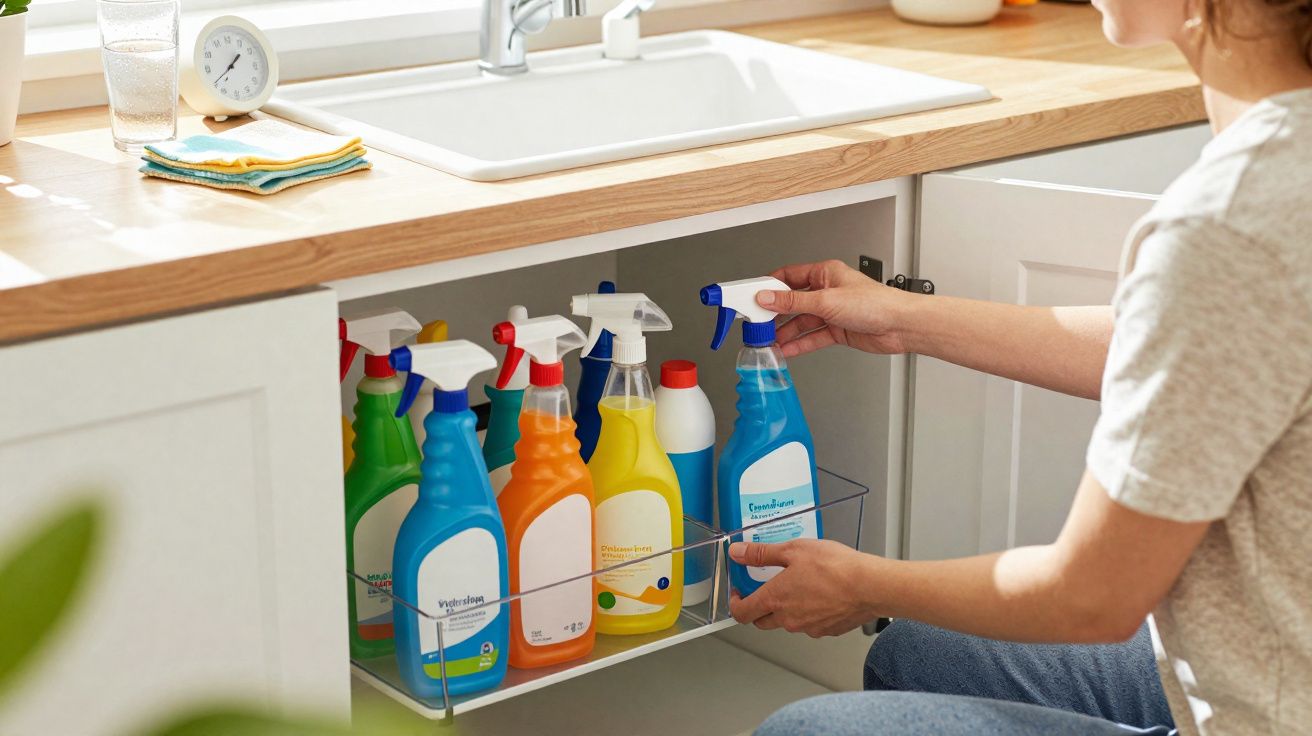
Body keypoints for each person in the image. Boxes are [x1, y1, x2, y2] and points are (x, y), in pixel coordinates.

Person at [734, 1, 1312, 734]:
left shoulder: (1230, 225)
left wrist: (862, 583)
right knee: (924, 652)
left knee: (804, 732)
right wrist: (904, 316)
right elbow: (1197, 353)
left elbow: (1093, 597)